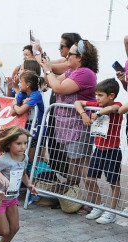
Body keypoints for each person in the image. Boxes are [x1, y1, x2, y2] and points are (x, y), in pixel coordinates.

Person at [42, 39, 98, 188]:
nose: (67, 57)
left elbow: (59, 88)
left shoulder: (85, 73)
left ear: (80, 57)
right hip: (69, 124)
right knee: (73, 162)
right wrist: (45, 68)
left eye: (71, 54)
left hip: (80, 124)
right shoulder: (72, 71)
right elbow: (51, 82)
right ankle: (73, 197)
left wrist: (48, 70)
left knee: (83, 165)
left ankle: (93, 203)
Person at [77, 78, 123, 224]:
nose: (97, 98)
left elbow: (114, 108)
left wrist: (100, 113)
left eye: (100, 95)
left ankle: (112, 211)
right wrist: (84, 114)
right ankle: (99, 205)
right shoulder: (97, 105)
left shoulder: (117, 105)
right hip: (98, 149)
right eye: (96, 95)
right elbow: (78, 103)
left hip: (112, 150)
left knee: (113, 182)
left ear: (111, 95)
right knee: (90, 178)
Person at [0, 127, 37, 242]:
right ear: (9, 144)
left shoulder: (24, 157)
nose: (23, 147)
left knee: (14, 228)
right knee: (3, 231)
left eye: (25, 143)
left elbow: (23, 173)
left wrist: (29, 185)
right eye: (19, 143)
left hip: (12, 198)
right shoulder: (4, 160)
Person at [11, 72, 45, 162]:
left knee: (30, 159)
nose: (18, 84)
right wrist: (21, 104)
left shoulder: (36, 95)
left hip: (37, 129)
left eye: (20, 82)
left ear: (28, 85)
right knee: (22, 155)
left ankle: (31, 173)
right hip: (26, 127)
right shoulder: (22, 93)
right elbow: (13, 113)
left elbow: (19, 110)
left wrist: (15, 105)